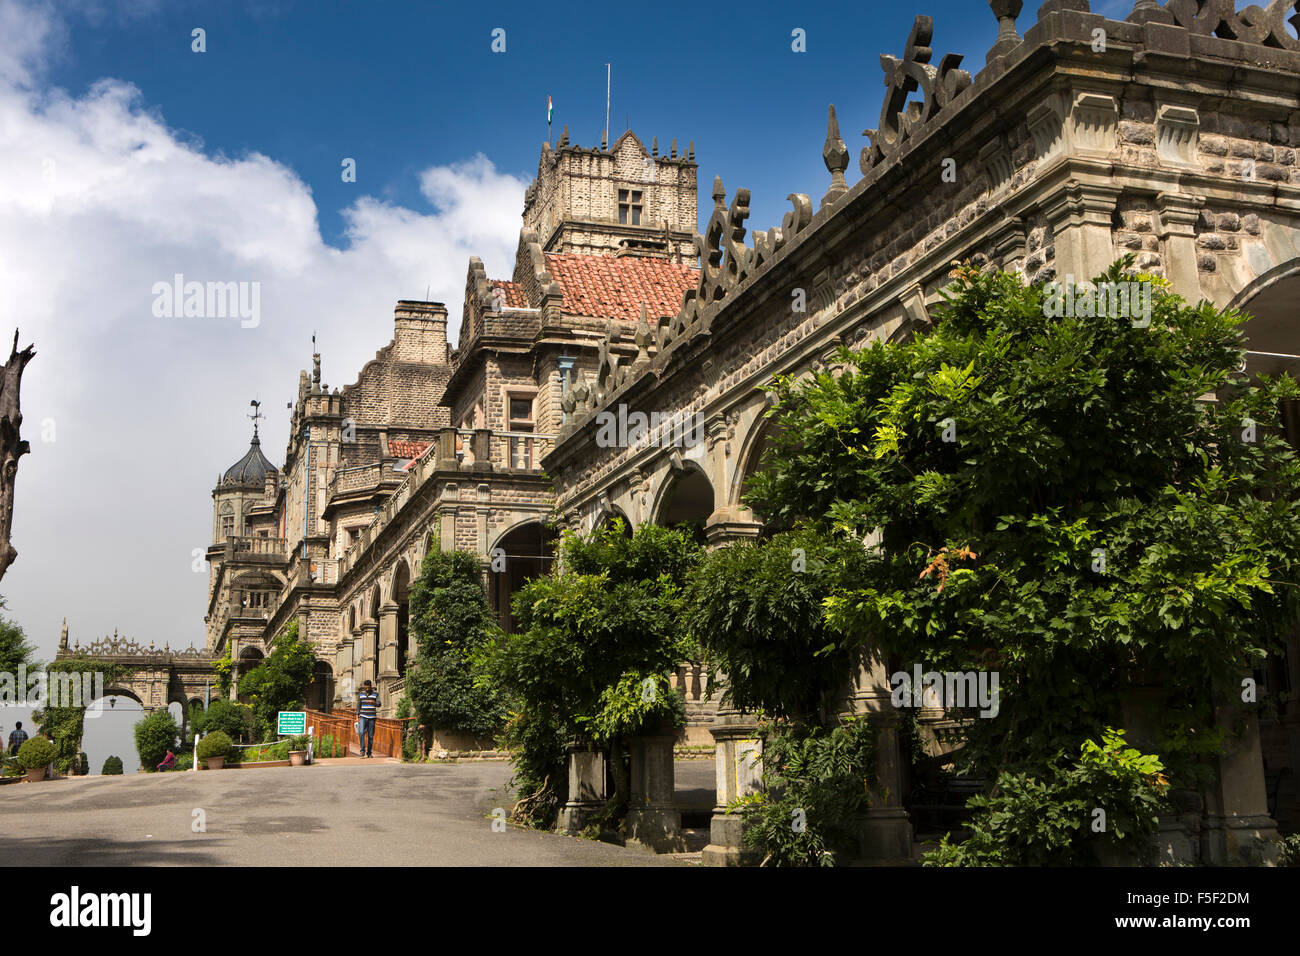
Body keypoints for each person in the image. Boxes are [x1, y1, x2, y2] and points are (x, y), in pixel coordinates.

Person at [358, 680, 379, 758]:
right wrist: (357, 716)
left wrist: (374, 703)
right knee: (361, 732)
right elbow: (358, 705)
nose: (366, 688)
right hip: (363, 716)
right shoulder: (361, 694)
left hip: (372, 717)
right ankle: (362, 750)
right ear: (364, 686)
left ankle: (369, 752)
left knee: (370, 735)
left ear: (370, 686)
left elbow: (379, 703)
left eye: (368, 687)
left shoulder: (375, 694)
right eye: (365, 687)